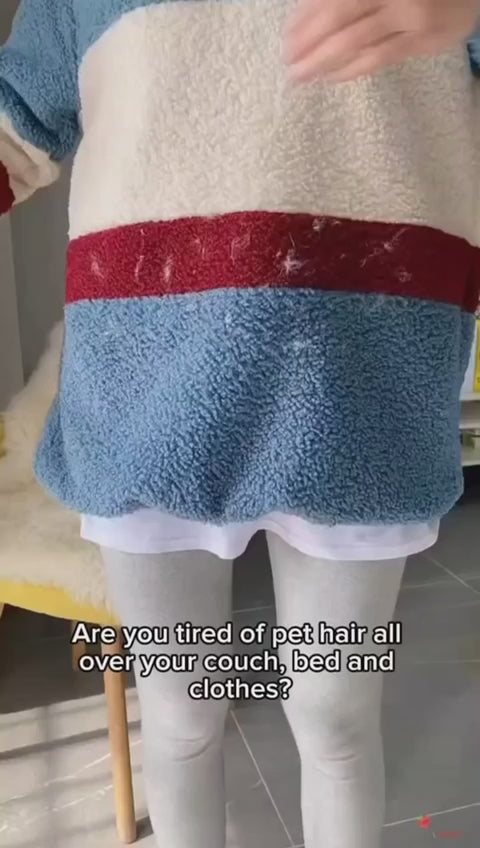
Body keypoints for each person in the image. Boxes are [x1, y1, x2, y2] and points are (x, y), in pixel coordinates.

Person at [1, 1, 480, 846]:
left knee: (336, 718)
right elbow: (17, 119)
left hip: (364, 377)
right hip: (145, 386)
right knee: (181, 716)